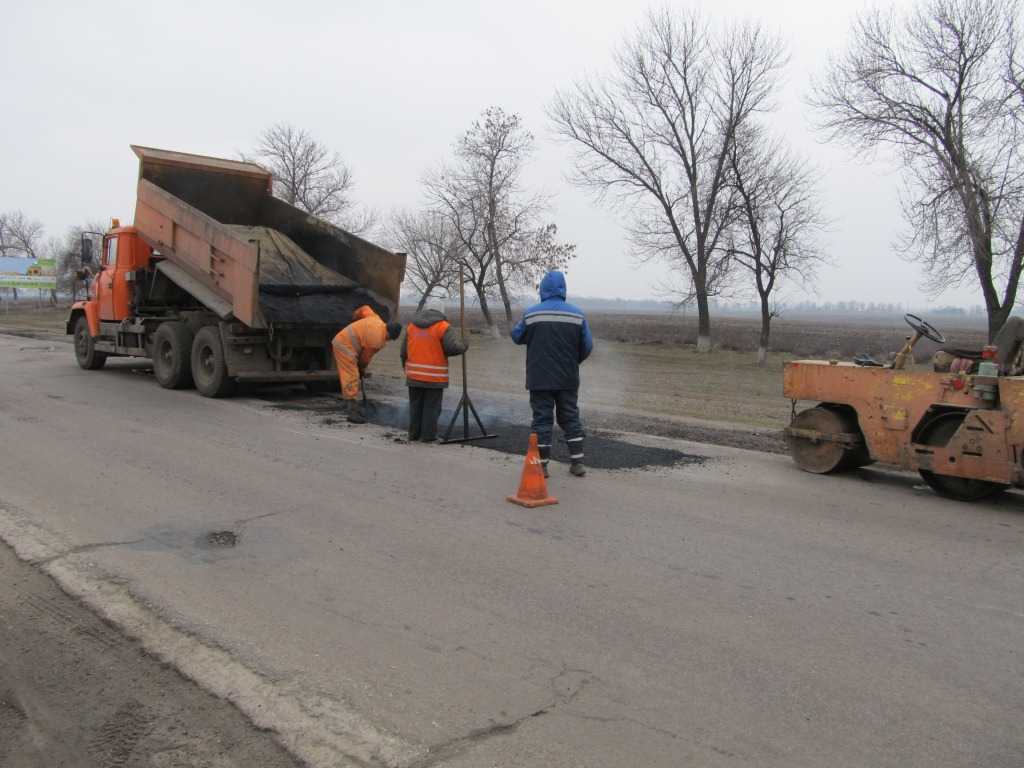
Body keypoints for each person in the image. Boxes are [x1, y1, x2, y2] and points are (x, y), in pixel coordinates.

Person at [511, 270, 594, 477]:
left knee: (542, 420)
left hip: (539, 379)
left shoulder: (532, 314)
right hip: (568, 378)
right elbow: (588, 345)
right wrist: (574, 362)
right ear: (563, 289)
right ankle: (577, 463)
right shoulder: (577, 314)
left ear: (543, 290)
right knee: (570, 418)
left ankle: (542, 466)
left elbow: (516, 336)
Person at [400, 297, 468, 442]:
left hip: (413, 377)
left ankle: (413, 434)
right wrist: (464, 345)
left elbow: (403, 352)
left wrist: (406, 369)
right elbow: (453, 348)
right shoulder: (443, 326)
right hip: (434, 377)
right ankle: (428, 436)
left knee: (415, 406)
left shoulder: (412, 326)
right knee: (431, 408)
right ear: (441, 311)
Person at [332, 305, 402, 423]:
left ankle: (351, 403)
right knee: (352, 375)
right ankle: (352, 410)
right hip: (344, 346)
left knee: (353, 374)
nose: (388, 341)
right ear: (390, 334)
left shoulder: (376, 319)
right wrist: (362, 369)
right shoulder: (377, 340)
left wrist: (355, 317)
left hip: (345, 341)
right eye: (390, 339)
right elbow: (364, 359)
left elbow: (365, 309)